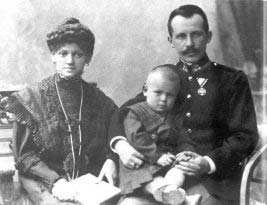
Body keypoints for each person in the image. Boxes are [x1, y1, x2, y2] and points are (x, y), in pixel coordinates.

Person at [110, 4, 259, 205]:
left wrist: (208, 163)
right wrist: (121, 145)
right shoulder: (165, 79)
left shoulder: (232, 80)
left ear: (209, 36)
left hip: (213, 182)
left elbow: (245, 135)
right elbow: (124, 113)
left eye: (196, 35)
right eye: (181, 36)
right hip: (161, 174)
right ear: (170, 40)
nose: (189, 43)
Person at [3, 17, 119, 204]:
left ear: (87, 58)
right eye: (63, 53)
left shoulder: (100, 100)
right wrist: (56, 181)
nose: (70, 61)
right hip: (44, 184)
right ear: (53, 56)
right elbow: (23, 156)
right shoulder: (31, 98)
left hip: (89, 185)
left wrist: (111, 159)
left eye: (78, 54)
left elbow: (117, 133)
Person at [119, 64, 193, 205]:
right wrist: (157, 156)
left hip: (166, 163)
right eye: (158, 93)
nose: (164, 99)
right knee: (152, 181)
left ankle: (173, 191)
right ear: (145, 91)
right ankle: (183, 200)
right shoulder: (135, 112)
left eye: (170, 95)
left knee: (178, 171)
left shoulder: (174, 117)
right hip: (141, 163)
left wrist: (186, 152)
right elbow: (137, 137)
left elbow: (183, 137)